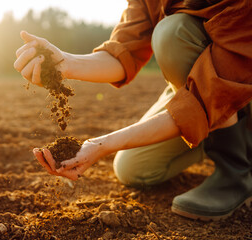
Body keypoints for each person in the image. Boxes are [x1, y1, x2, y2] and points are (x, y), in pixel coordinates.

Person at [14, 0, 252, 221]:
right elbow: (124, 53)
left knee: (172, 33)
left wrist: (103, 145)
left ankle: (235, 172)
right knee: (134, 168)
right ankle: (229, 131)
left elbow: (211, 92)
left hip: (237, 76)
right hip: (199, 86)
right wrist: (65, 63)